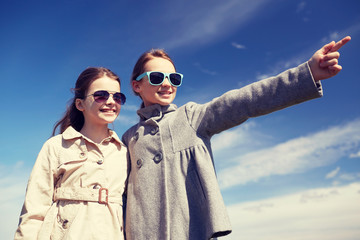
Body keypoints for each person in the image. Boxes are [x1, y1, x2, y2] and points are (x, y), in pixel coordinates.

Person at [122, 36, 351, 240]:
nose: (167, 83)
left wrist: (307, 74)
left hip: (191, 231)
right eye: (156, 76)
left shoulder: (192, 116)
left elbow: (245, 101)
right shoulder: (127, 139)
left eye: (174, 78)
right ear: (136, 85)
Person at [15, 67, 128, 239]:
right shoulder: (56, 146)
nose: (111, 101)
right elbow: (34, 211)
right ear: (80, 104)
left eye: (118, 97)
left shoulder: (125, 152)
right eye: (101, 95)